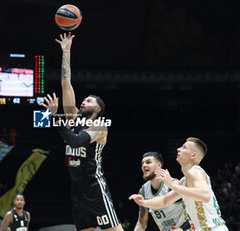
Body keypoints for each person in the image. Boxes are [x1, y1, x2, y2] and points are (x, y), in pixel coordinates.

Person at [42, 32, 123, 231]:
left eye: (89, 101)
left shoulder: (100, 125)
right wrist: (66, 51)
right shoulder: (73, 118)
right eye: (83, 99)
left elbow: (76, 142)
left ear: (97, 109)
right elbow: (66, 83)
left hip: (95, 187)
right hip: (77, 189)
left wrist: (55, 117)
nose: (83, 101)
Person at [129, 137, 229, 231]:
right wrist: (144, 202)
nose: (178, 149)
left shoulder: (196, 171)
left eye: (184, 147)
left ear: (193, 155)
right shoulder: (185, 180)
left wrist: (172, 185)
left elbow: (205, 195)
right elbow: (165, 200)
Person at [133, 152, 191, 231]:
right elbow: (142, 222)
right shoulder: (143, 191)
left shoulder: (174, 185)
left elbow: (194, 213)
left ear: (159, 165)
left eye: (148, 162)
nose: (144, 165)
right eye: (142, 163)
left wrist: (181, 229)